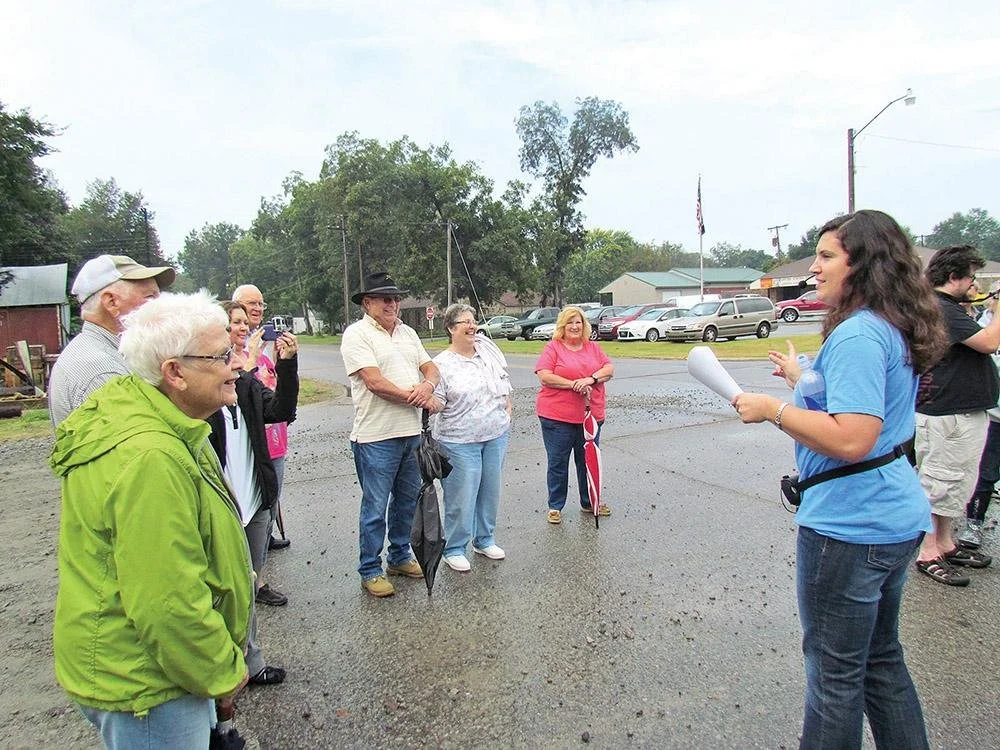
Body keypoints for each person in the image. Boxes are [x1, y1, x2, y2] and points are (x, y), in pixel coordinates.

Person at [733, 210, 948, 749]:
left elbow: (854, 437)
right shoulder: (888, 325)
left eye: (827, 256)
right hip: (894, 517)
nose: (816, 268)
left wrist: (772, 410)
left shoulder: (856, 334)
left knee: (834, 676)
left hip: (850, 526)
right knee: (880, 662)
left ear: (864, 263)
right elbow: (860, 403)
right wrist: (803, 379)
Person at [49, 291, 253, 748]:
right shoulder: (151, 457)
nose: (238, 363)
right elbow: (169, 603)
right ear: (174, 372)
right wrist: (221, 673)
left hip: (163, 669)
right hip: (148, 684)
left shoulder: (170, 420)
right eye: (221, 355)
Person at [207, 302, 298, 691]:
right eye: (230, 330)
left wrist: (288, 365)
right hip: (221, 509)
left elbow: (281, 410)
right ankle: (218, 669)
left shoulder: (244, 384)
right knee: (218, 590)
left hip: (255, 502)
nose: (239, 336)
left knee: (247, 583)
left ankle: (251, 659)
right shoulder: (201, 396)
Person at [341, 271, 441, 598]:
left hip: (411, 433)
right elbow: (374, 381)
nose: (393, 304)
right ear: (367, 303)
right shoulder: (356, 335)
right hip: (375, 438)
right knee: (375, 506)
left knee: (407, 502)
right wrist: (418, 397)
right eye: (385, 298)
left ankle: (399, 556)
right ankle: (369, 568)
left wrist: (427, 385)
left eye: (396, 298)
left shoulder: (408, 332)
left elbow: (431, 368)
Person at [914, 245, 999, 585]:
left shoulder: (942, 307)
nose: (974, 286)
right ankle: (928, 550)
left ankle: (945, 542)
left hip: (957, 412)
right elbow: (990, 342)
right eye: (971, 278)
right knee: (938, 483)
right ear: (953, 277)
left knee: (954, 483)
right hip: (947, 415)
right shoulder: (942, 309)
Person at [47, 254, 175, 426]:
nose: (161, 306)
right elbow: (134, 445)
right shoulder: (103, 371)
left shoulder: (104, 351)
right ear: (111, 302)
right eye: (150, 297)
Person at [432, 304, 513, 572]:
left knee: (490, 491)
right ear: (451, 329)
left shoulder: (488, 354)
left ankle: (484, 539)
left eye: (473, 320)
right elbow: (439, 401)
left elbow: (502, 382)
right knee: (461, 495)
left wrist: (507, 403)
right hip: (458, 441)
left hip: (495, 435)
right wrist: (426, 399)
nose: (472, 325)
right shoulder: (441, 364)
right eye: (464, 322)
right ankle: (454, 548)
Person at [534, 305, 614, 525]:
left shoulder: (593, 348)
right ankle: (555, 506)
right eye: (570, 322)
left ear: (584, 325)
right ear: (562, 326)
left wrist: (590, 379)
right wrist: (573, 384)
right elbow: (545, 376)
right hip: (557, 417)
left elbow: (608, 369)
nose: (575, 326)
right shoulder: (553, 348)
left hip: (590, 416)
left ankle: (589, 501)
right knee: (558, 461)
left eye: (578, 322)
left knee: (587, 461)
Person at [233, 284, 292, 552]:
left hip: (275, 436)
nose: (257, 309)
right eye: (250, 304)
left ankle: (264, 539)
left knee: (272, 495)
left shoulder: (264, 349)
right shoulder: (231, 355)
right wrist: (252, 357)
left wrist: (285, 359)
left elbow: (279, 394)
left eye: (260, 304)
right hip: (249, 440)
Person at [958, 282, 1000, 549]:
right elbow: (987, 344)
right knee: (986, 471)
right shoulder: (983, 323)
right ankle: (973, 523)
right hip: (993, 413)